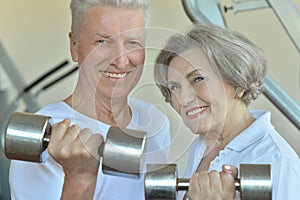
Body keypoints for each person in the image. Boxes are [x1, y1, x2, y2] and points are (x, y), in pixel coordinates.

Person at [9, 0, 171, 199]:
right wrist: (79, 177)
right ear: (74, 46)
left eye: (133, 43)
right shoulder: (45, 136)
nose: (120, 61)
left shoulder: (156, 121)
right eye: (102, 41)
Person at [154, 23, 300, 200]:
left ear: (238, 84)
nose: (184, 99)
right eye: (175, 87)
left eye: (198, 79)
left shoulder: (277, 161)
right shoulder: (201, 146)